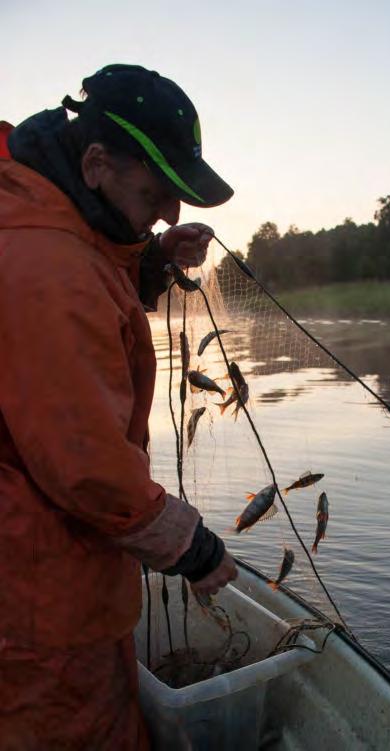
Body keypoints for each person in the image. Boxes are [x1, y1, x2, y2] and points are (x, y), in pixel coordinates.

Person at [0, 63, 237, 750]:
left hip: (51, 581)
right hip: (34, 605)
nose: (169, 211)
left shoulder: (48, 217)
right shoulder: (45, 266)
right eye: (156, 192)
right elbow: (84, 460)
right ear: (98, 162)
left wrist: (150, 263)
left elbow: (85, 274)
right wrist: (187, 543)